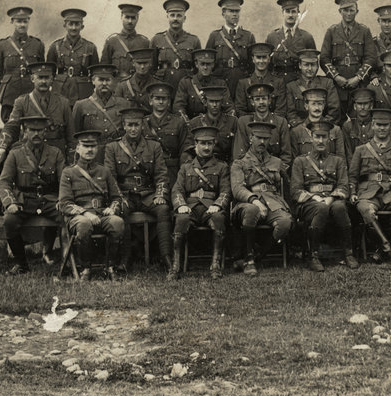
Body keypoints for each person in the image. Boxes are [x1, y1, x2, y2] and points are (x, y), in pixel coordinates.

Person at [0, 61, 73, 216]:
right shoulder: (22, 101)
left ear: (53, 79)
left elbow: (71, 136)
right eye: (40, 77)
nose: (44, 81)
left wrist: (72, 159)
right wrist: (2, 148)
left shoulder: (63, 103)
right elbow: (11, 126)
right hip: (28, 149)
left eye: (47, 77)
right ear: (32, 79)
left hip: (56, 152)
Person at [104, 105, 171, 271]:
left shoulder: (153, 146)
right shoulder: (112, 148)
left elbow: (161, 174)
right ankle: (125, 259)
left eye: (137, 125)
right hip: (125, 193)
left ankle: (166, 257)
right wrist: (119, 198)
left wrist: (160, 194)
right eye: (130, 125)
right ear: (124, 126)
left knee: (163, 208)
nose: (133, 129)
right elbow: (110, 178)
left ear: (143, 126)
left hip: (147, 194)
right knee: (122, 210)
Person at [0, 113, 64, 273]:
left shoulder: (55, 153)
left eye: (40, 130)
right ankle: (22, 264)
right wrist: (10, 202)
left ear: (45, 132)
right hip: (24, 200)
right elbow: (4, 182)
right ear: (24, 131)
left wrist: (64, 200)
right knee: (9, 221)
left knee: (67, 217)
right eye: (31, 130)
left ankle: (67, 263)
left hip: (49, 200)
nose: (36, 134)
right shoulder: (15, 154)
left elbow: (65, 181)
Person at [58, 129, 127, 280]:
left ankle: (111, 267)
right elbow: (64, 203)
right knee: (84, 225)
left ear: (97, 148)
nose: (89, 149)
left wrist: (112, 208)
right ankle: (85, 269)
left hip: (102, 214)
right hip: (79, 217)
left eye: (93, 146)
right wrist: (85, 213)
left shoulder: (104, 171)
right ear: (77, 148)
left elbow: (117, 197)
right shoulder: (68, 173)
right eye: (85, 146)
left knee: (117, 222)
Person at [289, 119, 356, 271]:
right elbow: (295, 190)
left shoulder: (337, 161)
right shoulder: (300, 161)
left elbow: (344, 186)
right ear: (311, 138)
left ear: (329, 139)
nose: (320, 140)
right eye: (317, 137)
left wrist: (331, 198)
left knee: (339, 207)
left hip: (331, 200)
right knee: (321, 208)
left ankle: (348, 253)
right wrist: (314, 197)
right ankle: (313, 255)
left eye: (324, 137)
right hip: (308, 204)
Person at [231, 121, 293, 276]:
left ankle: (256, 256)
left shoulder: (277, 162)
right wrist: (255, 201)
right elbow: (237, 188)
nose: (262, 142)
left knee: (285, 222)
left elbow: (285, 186)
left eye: (266, 139)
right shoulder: (239, 163)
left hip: (273, 202)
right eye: (258, 138)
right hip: (247, 203)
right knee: (252, 211)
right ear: (251, 138)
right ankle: (249, 260)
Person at [169, 124, 231, 280]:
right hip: (190, 207)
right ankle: (175, 267)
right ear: (195, 145)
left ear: (214, 145)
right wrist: (181, 205)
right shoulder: (186, 168)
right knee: (181, 220)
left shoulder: (222, 167)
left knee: (218, 219)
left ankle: (215, 265)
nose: (206, 147)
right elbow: (177, 190)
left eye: (210, 143)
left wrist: (218, 205)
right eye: (203, 143)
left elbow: (225, 190)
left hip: (210, 207)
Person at [348, 108, 391, 265]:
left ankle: (380, 250)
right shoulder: (360, 150)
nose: (382, 128)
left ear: (390, 126)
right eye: (378, 125)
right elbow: (353, 175)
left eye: (385, 125)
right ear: (372, 126)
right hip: (367, 193)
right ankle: (389, 249)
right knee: (366, 211)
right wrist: (353, 192)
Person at [321, 0, 378, 115]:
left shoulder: (364, 31)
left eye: (351, 10)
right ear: (339, 11)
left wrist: (358, 78)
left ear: (357, 11)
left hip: (358, 84)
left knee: (358, 117)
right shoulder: (331, 31)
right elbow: (324, 58)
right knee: (336, 117)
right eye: (345, 10)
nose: (348, 13)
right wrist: (336, 77)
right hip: (337, 85)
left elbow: (371, 57)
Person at [0, 6, 46, 123]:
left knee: (33, 126)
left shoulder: (37, 45)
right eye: (18, 21)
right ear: (12, 22)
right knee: (10, 127)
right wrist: (4, 87)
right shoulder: (2, 45)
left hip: (31, 93)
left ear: (28, 22)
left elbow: (42, 71)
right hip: (10, 96)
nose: (22, 25)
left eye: (25, 21)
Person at [70, 64, 130, 165]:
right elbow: (74, 135)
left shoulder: (124, 104)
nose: (104, 83)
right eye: (101, 80)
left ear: (113, 82)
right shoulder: (81, 105)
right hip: (92, 154)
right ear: (93, 81)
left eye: (108, 80)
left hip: (118, 154)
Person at [47, 8, 99, 105]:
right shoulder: (55, 46)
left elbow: (95, 74)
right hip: (61, 90)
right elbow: (49, 73)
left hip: (83, 91)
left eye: (77, 24)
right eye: (70, 24)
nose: (74, 28)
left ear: (82, 26)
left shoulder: (90, 47)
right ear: (65, 25)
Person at [142, 81, 188, 188]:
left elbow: (185, 148)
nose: (161, 101)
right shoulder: (143, 123)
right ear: (150, 101)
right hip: (149, 172)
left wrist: (182, 173)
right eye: (157, 98)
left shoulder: (179, 122)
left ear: (169, 102)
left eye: (164, 99)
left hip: (172, 172)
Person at [206, 0, 256, 95]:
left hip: (242, 81)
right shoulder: (215, 36)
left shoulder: (248, 36)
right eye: (231, 11)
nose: (235, 14)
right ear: (223, 13)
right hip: (220, 81)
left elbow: (252, 64)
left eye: (237, 11)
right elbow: (207, 61)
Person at [151, 0, 202, 90]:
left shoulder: (194, 40)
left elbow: (197, 69)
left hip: (186, 87)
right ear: (167, 17)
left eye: (179, 15)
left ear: (184, 18)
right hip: (163, 86)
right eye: (172, 15)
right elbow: (152, 68)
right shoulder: (157, 39)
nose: (175, 19)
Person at [266, 0, 316, 84]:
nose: (290, 15)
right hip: (277, 83)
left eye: (293, 12)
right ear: (282, 13)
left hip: (299, 83)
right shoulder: (272, 37)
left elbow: (314, 63)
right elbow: (267, 64)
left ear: (298, 14)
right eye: (287, 11)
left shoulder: (306, 37)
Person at [285, 48, 340, 127]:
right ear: (300, 65)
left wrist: (320, 126)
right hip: (300, 130)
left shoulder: (327, 83)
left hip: (323, 128)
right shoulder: (291, 86)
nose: (310, 69)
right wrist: (303, 128)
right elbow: (291, 114)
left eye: (313, 65)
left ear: (317, 66)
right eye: (306, 65)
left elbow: (334, 111)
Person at [172, 49, 233, 121]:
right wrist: (186, 122)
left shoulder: (220, 84)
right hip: (193, 125)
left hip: (215, 125)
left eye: (208, 64)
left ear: (213, 64)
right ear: (196, 64)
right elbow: (179, 107)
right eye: (202, 64)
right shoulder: (186, 83)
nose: (205, 67)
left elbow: (229, 107)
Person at [182, 85, 238, 163]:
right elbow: (188, 150)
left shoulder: (232, 122)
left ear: (222, 102)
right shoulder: (195, 123)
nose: (214, 105)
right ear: (205, 102)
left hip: (226, 166)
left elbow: (236, 150)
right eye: (211, 101)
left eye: (217, 101)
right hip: (203, 167)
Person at [233, 43, 289, 118]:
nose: (261, 61)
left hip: (273, 125)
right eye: (258, 57)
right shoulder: (243, 83)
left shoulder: (278, 82)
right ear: (253, 59)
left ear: (269, 59)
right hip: (250, 124)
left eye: (264, 57)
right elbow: (240, 110)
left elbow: (281, 111)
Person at [288, 86, 345, 160]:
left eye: (320, 104)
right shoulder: (296, 131)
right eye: (313, 104)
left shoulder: (335, 130)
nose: (317, 108)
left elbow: (341, 160)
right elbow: (295, 162)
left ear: (324, 106)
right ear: (306, 106)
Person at [101, 3, 150, 83]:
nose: (130, 21)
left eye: (133, 18)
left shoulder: (144, 42)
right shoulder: (112, 42)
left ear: (137, 18)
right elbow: (104, 71)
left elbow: (149, 69)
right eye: (127, 17)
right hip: (117, 86)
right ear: (121, 17)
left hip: (138, 87)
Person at [342, 87, 376, 158]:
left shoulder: (376, 124)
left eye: (366, 104)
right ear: (355, 106)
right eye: (359, 104)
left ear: (371, 106)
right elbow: (348, 152)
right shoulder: (348, 126)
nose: (362, 107)